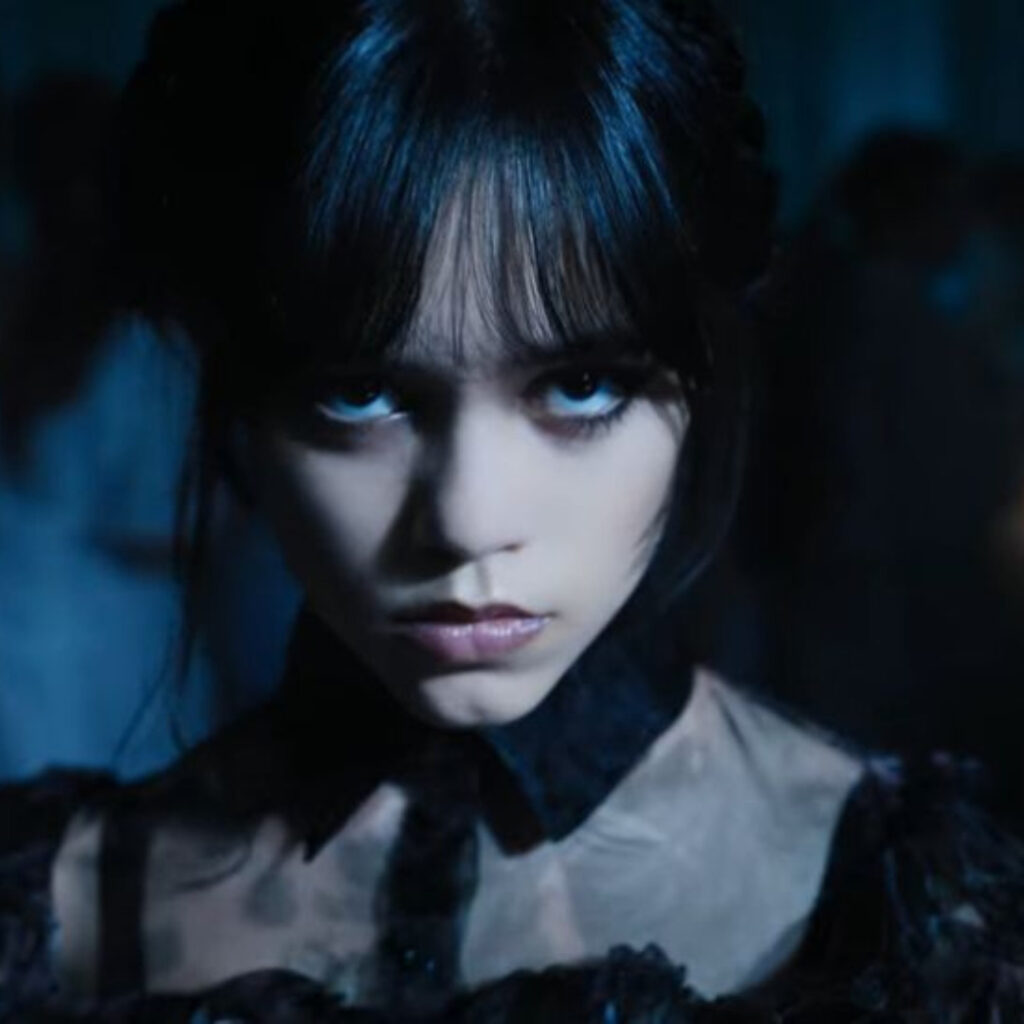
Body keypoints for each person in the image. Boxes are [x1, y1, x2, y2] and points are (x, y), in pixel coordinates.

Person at [3, 1, 1024, 1021]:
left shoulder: (903, 904)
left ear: (700, 382)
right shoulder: (64, 900)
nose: (468, 520)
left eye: (581, 385)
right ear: (234, 405)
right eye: (358, 393)